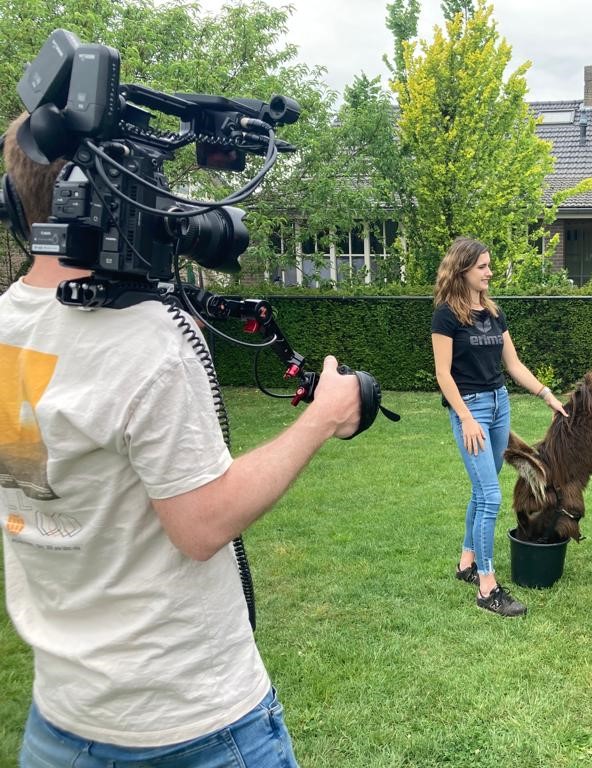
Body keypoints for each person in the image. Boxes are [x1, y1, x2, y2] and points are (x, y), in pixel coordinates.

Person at [1, 113, 362, 765]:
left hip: (61, 721)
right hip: (191, 723)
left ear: (14, 204)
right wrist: (323, 417)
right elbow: (202, 523)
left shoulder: (5, 327)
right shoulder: (145, 341)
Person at [431, 237, 568, 617]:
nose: (490, 272)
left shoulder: (492, 313)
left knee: (481, 492)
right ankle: (486, 587)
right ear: (462, 270)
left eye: (489, 265)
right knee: (490, 496)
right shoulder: (446, 315)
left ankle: (466, 564)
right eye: (483, 267)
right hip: (471, 409)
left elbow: (514, 364)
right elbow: (443, 374)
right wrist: (465, 417)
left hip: (498, 404)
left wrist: (546, 394)